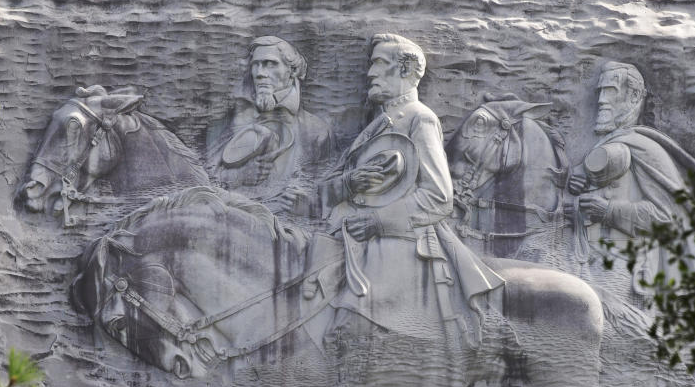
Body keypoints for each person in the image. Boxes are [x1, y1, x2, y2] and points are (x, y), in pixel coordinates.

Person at [308, 33, 504, 345]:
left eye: (379, 64)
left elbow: (439, 196)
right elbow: (339, 186)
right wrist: (348, 184)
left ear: (407, 71)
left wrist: (378, 222)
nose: (370, 73)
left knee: (349, 327)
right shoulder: (378, 124)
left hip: (397, 238)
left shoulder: (419, 118)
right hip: (348, 234)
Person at [565, 61, 695, 306]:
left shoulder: (646, 149)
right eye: (600, 92)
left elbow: (668, 217)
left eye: (610, 91)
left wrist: (608, 211)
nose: (601, 100)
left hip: (627, 271)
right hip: (586, 261)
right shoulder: (605, 147)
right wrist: (576, 201)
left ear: (632, 97)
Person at [206, 36, 334, 213]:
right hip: (233, 213)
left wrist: (308, 205)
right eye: (255, 65)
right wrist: (239, 175)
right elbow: (205, 177)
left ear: (292, 70)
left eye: (270, 64)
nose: (259, 73)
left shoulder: (316, 130)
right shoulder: (232, 121)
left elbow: (326, 190)